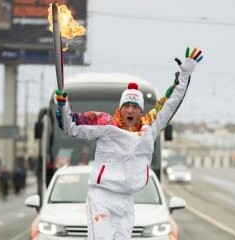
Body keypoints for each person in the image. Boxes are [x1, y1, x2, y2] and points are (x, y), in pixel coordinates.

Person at [55, 47, 203, 239]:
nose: (131, 111)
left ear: (140, 110)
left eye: (135, 107)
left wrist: (184, 75)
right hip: (102, 197)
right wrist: (63, 106)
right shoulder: (106, 123)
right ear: (121, 108)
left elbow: (170, 103)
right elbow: (71, 126)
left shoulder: (150, 126)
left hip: (127, 200)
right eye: (127, 107)